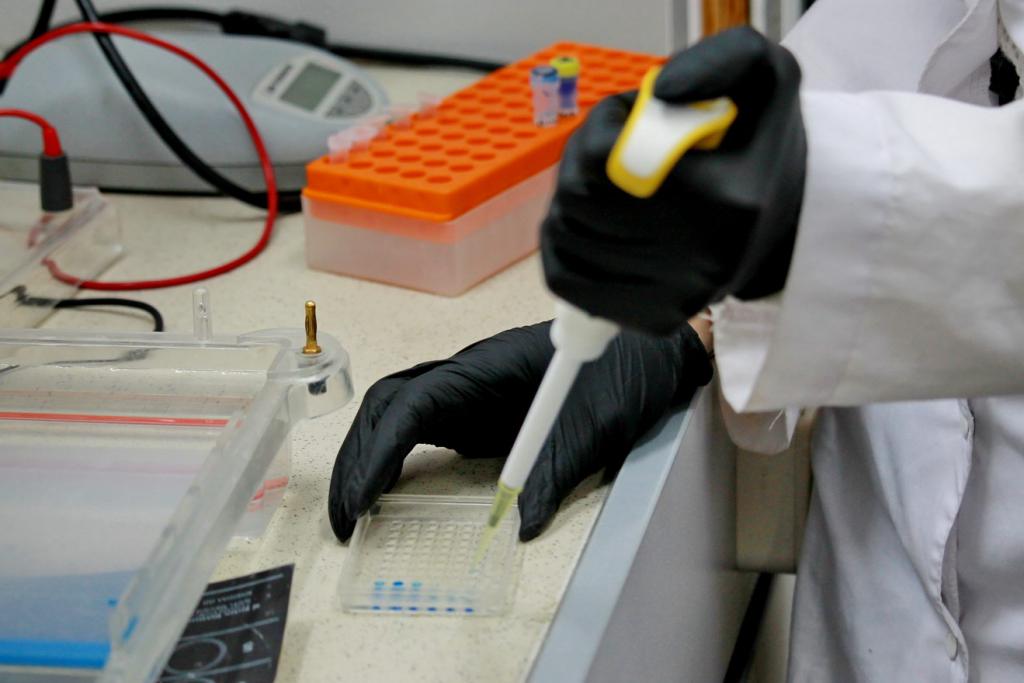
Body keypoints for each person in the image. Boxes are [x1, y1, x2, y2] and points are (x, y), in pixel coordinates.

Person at [331, 0, 1024, 678]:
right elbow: (903, 48)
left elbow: (858, 190)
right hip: (878, 599)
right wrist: (683, 325)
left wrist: (801, 214)